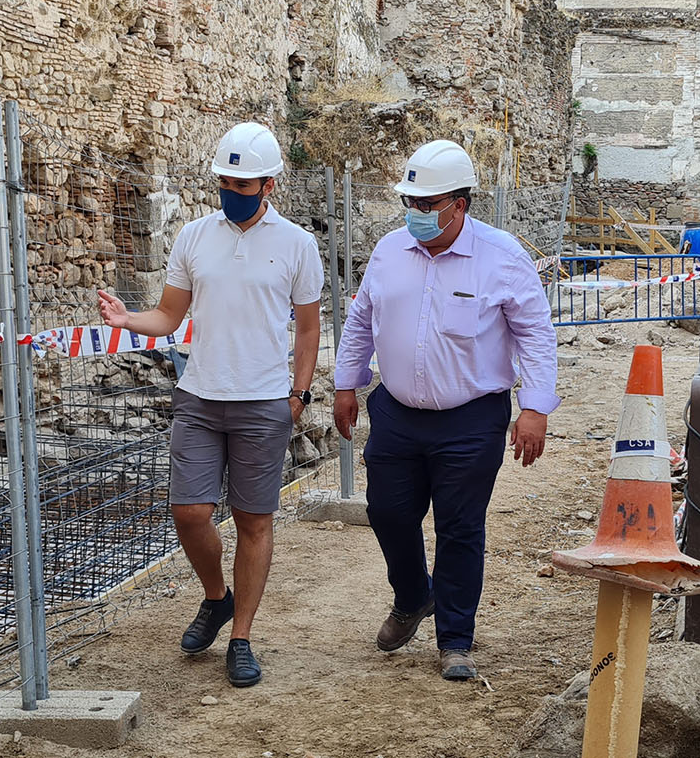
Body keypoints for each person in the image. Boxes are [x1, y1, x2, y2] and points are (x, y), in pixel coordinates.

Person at [96, 122, 323, 687]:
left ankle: (241, 637)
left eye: (243, 184)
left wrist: (297, 393)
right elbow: (170, 316)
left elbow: (309, 330)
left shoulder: (297, 243)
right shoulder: (194, 236)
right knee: (189, 512)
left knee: (253, 519)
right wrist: (129, 320)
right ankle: (216, 597)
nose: (232, 190)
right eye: (225, 180)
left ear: (269, 185)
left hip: (264, 402)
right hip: (199, 396)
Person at [331, 139, 559, 681]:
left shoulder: (503, 257)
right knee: (387, 512)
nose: (416, 214)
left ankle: (455, 639)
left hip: (471, 418)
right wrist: (346, 383)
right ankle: (413, 597)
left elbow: (536, 336)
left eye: (427, 204)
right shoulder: (389, 252)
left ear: (460, 204)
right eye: (410, 202)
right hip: (397, 412)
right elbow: (362, 320)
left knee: (459, 528)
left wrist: (535, 407)